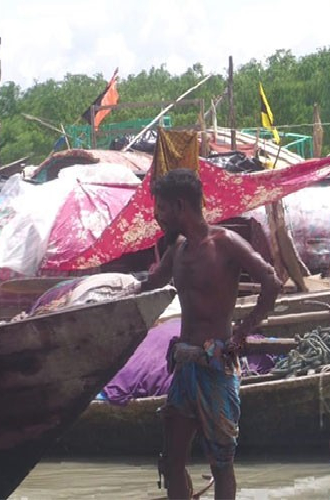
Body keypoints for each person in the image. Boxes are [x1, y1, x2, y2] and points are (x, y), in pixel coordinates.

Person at [136, 169, 282, 500]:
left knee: (221, 463)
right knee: (171, 462)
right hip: (185, 364)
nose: (156, 217)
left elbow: (272, 280)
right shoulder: (178, 250)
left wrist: (242, 333)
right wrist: (107, 290)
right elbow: (150, 284)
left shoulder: (225, 243)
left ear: (179, 206)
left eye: (160, 209)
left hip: (216, 365)